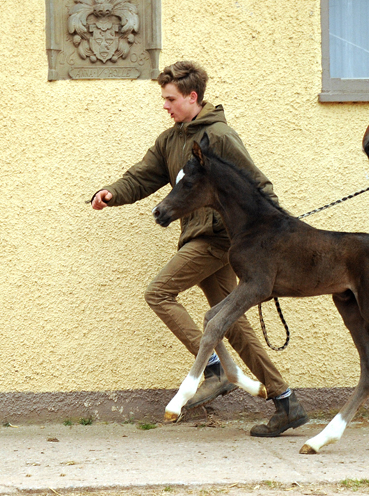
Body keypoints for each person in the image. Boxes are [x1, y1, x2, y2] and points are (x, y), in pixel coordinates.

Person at [91, 61, 308, 437]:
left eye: (170, 99)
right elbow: (142, 175)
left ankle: (215, 368)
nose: (165, 105)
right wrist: (112, 193)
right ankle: (286, 402)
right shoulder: (171, 140)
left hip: (218, 239)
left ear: (193, 97)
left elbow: (257, 184)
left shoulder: (220, 136)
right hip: (201, 237)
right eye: (164, 99)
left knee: (159, 293)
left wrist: (275, 233)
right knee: (234, 324)